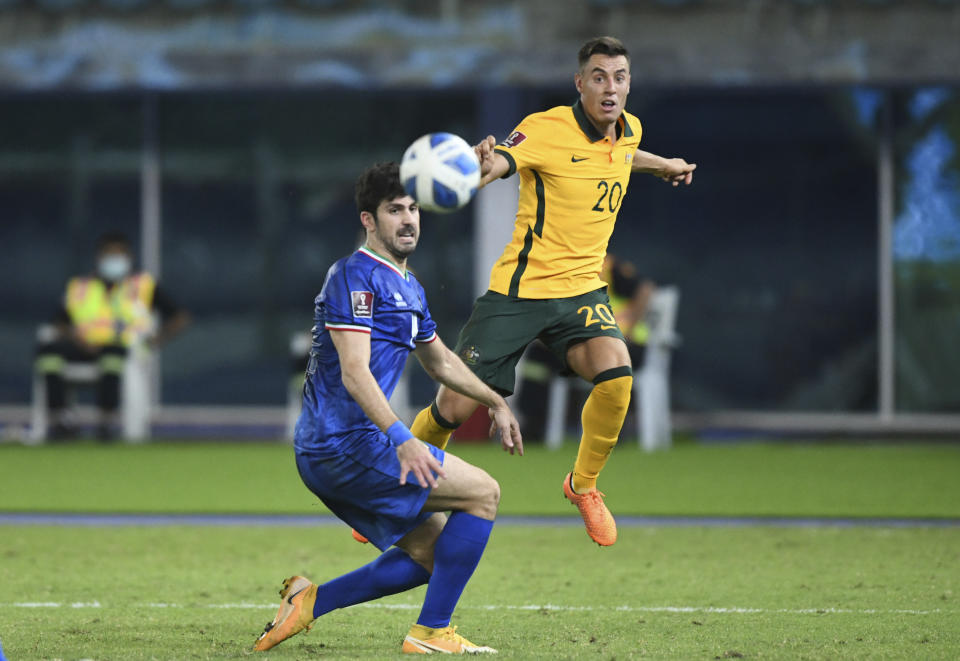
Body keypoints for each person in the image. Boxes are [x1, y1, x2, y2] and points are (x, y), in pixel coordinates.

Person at [406, 36, 695, 547]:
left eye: (620, 77)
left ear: (629, 84)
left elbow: (623, 156)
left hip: (583, 293)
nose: (610, 87)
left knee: (617, 378)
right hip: (519, 293)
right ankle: (396, 483)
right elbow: (498, 166)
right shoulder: (545, 128)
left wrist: (664, 164)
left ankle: (583, 486)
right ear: (580, 83)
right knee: (452, 409)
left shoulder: (629, 131)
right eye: (599, 77)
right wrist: (474, 166)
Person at [253, 162, 522, 655]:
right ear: (369, 221)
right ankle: (430, 633)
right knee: (483, 494)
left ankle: (309, 602)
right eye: (395, 209)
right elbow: (355, 373)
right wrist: (403, 441)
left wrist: (493, 400)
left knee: (436, 555)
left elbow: (440, 360)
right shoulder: (353, 276)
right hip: (341, 445)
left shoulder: (408, 285)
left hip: (354, 446)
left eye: (414, 208)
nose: (409, 219)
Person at [33, 231, 189, 440]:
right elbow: (59, 322)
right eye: (109, 255)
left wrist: (155, 341)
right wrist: (75, 337)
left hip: (121, 347)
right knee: (48, 352)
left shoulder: (142, 285)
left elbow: (180, 317)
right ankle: (62, 418)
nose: (114, 261)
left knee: (112, 358)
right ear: (99, 258)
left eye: (120, 255)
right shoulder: (80, 287)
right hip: (82, 345)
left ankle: (105, 420)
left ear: (129, 258)